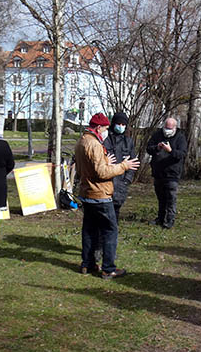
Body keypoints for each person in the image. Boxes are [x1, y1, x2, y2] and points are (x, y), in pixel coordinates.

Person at [74, 112, 139, 278]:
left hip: (86, 192)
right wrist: (123, 166)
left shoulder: (81, 141)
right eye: (104, 128)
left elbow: (85, 168)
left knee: (89, 230)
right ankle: (108, 269)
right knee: (110, 230)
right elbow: (102, 173)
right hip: (100, 194)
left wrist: (106, 162)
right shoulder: (95, 144)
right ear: (98, 127)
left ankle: (87, 264)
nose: (106, 132)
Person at [146, 116, 187, 228]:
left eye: (170, 128)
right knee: (161, 197)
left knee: (171, 198)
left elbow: (182, 154)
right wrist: (157, 147)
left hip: (172, 173)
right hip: (158, 172)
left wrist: (170, 151)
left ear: (175, 128)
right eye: (166, 127)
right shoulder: (157, 134)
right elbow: (149, 148)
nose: (167, 130)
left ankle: (169, 220)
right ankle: (160, 218)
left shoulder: (180, 138)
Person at [102, 111, 137, 221]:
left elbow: (133, 162)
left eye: (123, 124)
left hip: (122, 182)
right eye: (118, 124)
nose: (120, 126)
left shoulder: (128, 142)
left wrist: (127, 180)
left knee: (116, 209)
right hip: (107, 181)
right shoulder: (106, 140)